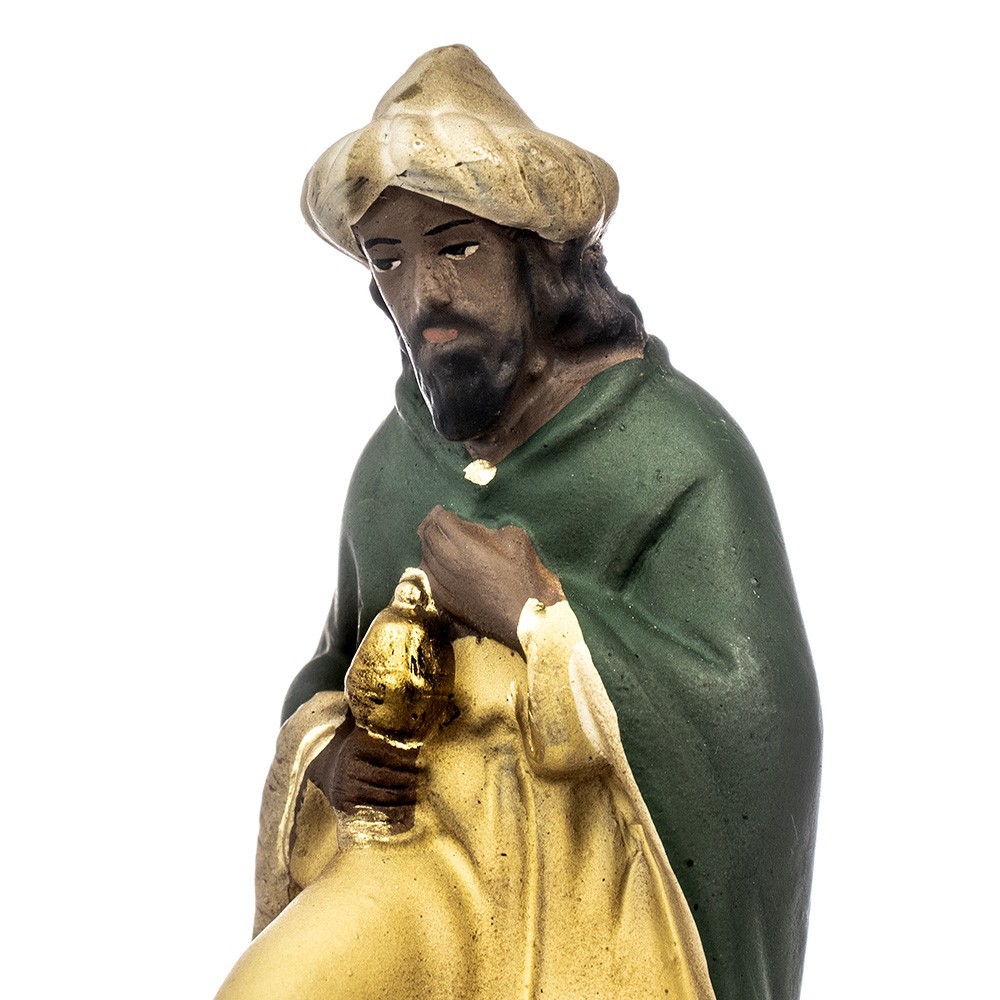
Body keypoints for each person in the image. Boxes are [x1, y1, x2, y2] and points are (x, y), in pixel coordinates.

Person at [240, 44, 820, 1000]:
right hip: (414, 861)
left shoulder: (677, 452)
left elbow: (753, 721)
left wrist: (534, 618)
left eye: (456, 247)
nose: (424, 296)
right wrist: (331, 752)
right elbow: (331, 660)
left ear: (539, 258)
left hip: (602, 902)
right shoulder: (393, 466)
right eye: (390, 259)